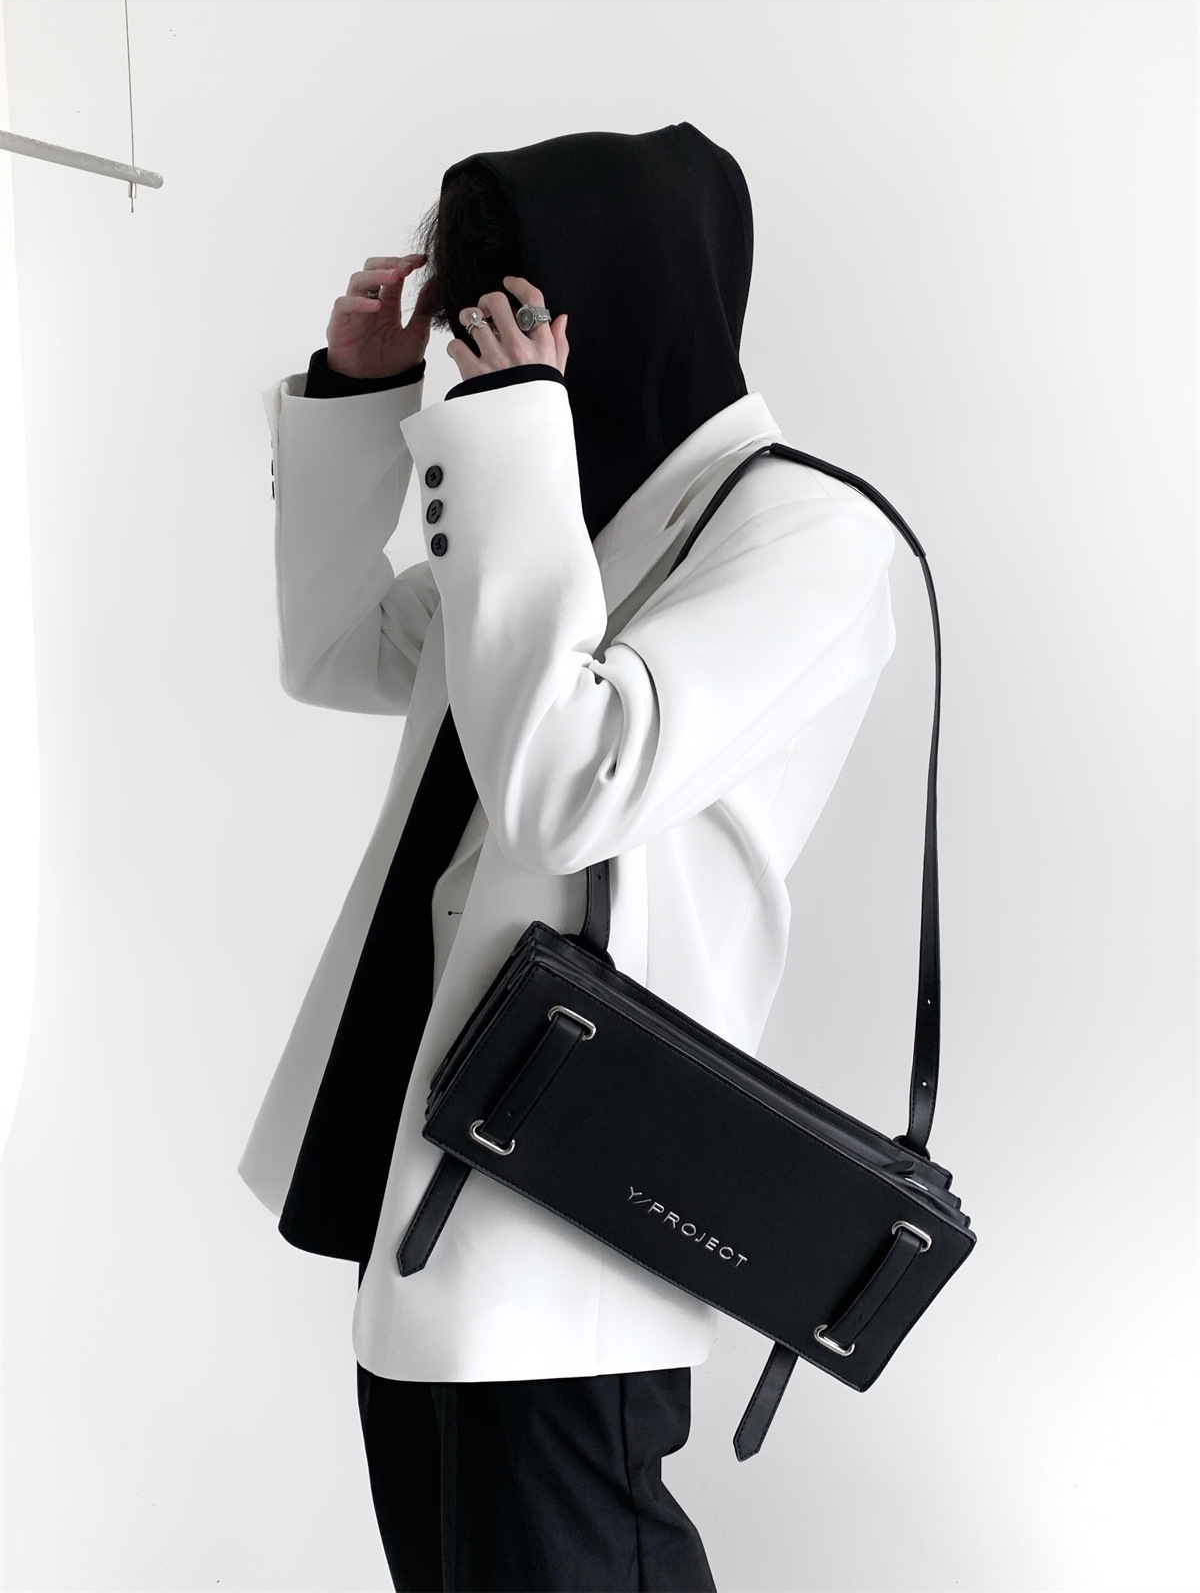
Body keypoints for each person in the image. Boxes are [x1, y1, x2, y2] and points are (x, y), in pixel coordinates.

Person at [239, 124, 897, 1591]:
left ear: (630, 298)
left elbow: (566, 788)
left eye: (519, 313)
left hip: (569, 1203)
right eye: (476, 327)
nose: (495, 357)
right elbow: (335, 651)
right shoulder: (559, 515)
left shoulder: (807, 530)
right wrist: (359, 396)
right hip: (424, 1148)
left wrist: (515, 443)